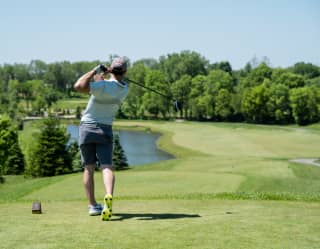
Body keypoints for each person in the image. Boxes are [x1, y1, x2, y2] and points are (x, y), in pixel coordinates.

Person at [73, 57, 129, 221]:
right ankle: (108, 197)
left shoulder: (101, 86)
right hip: (105, 129)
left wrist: (95, 70)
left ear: (111, 69)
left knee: (88, 168)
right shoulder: (124, 89)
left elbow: (79, 86)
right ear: (124, 72)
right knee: (106, 166)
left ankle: (92, 206)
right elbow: (108, 86)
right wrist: (104, 76)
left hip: (87, 128)